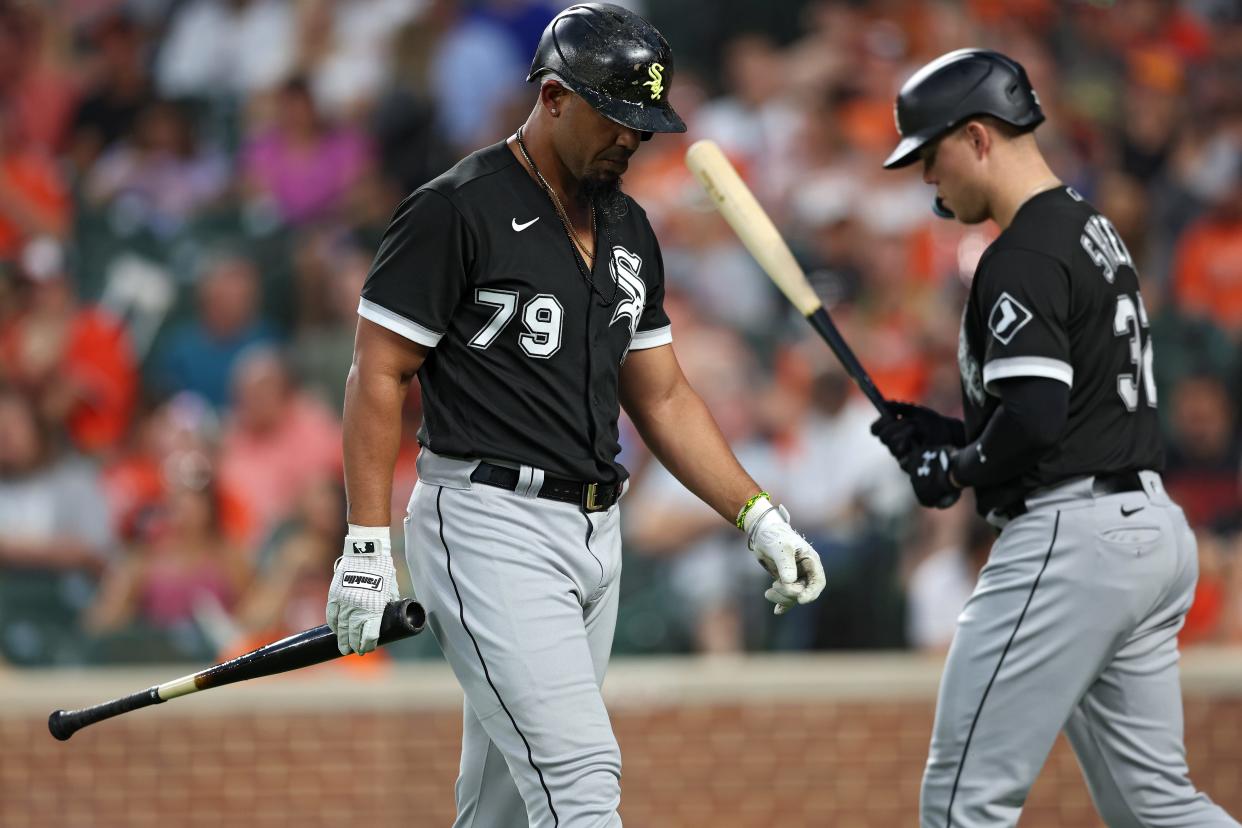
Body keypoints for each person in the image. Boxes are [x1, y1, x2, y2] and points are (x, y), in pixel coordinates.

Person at [325, 5, 826, 827]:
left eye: (645, 124)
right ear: (554, 95)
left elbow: (661, 393)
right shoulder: (456, 208)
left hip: (597, 530)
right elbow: (377, 372)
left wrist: (756, 512)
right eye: (617, 117)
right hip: (487, 520)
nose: (633, 140)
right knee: (582, 785)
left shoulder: (629, 227)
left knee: (506, 811)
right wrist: (367, 543)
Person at [870, 48, 1239, 828]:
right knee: (1158, 807)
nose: (927, 180)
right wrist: (948, 433)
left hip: (1074, 539)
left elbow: (1035, 419)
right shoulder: (1089, 228)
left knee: (962, 800)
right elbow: (1062, 405)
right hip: (1143, 526)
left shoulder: (1023, 252)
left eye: (931, 157)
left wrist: (957, 466)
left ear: (977, 137)